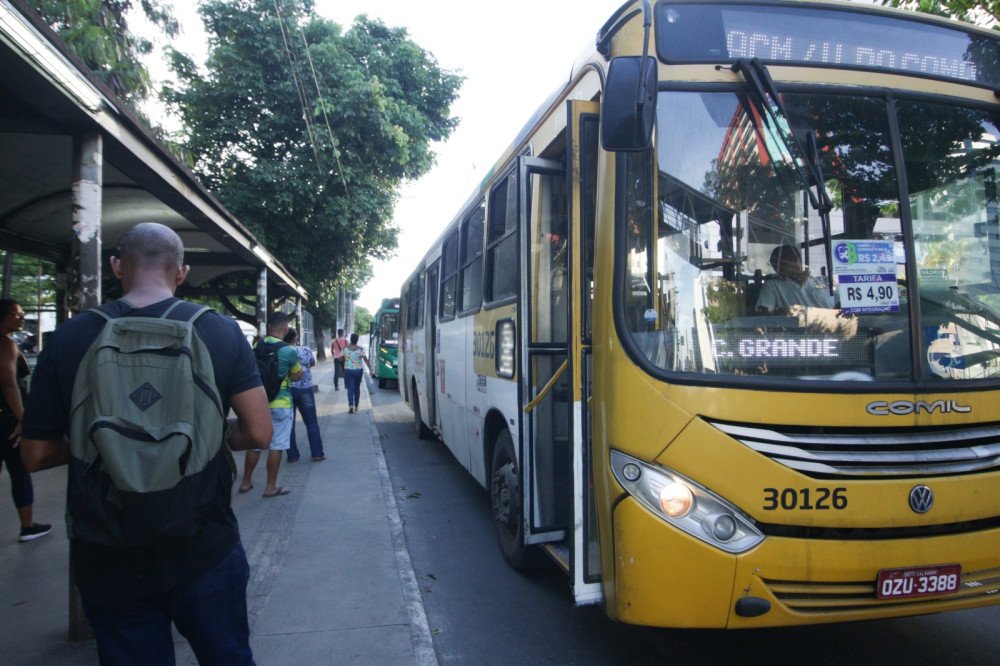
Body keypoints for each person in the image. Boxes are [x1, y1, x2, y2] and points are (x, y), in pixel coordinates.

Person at [20, 222, 272, 665]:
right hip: (203, 543)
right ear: (181, 272)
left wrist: (107, 450)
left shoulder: (71, 338)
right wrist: (201, 440)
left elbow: (35, 454)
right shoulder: (219, 331)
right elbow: (257, 432)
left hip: (107, 550)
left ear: (118, 267)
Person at [0, 299, 50, 543]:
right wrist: (22, 419)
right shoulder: (6, 345)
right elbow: (9, 384)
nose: (21, 318)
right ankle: (27, 526)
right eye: (17, 314)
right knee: (19, 471)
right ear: (5, 315)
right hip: (8, 420)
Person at [240, 312, 302, 497]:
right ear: (286, 329)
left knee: (255, 443)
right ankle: (270, 487)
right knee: (277, 445)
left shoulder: (257, 345)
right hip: (281, 403)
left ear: (269, 328)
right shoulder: (288, 351)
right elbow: (297, 374)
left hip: (258, 403)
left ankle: (245, 482)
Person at [756, 244, 836, 314]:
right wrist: (786, 313)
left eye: (779, 262)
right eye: (773, 263)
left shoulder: (825, 281)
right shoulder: (773, 286)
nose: (776, 267)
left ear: (797, 260)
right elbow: (764, 314)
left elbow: (844, 304)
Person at [283, 329, 325, 462]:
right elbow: (312, 362)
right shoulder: (305, 350)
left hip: (288, 390)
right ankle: (317, 453)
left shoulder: (282, 351)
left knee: (289, 424)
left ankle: (292, 455)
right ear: (295, 338)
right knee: (312, 422)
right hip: (305, 389)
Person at [342, 333, 370, 414]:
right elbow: (365, 359)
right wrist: (370, 369)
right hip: (358, 371)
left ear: (350, 339)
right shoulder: (361, 349)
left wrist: (346, 359)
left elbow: (340, 358)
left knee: (350, 388)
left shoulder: (345, 349)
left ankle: (351, 405)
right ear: (357, 340)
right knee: (357, 388)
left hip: (348, 370)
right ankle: (356, 406)